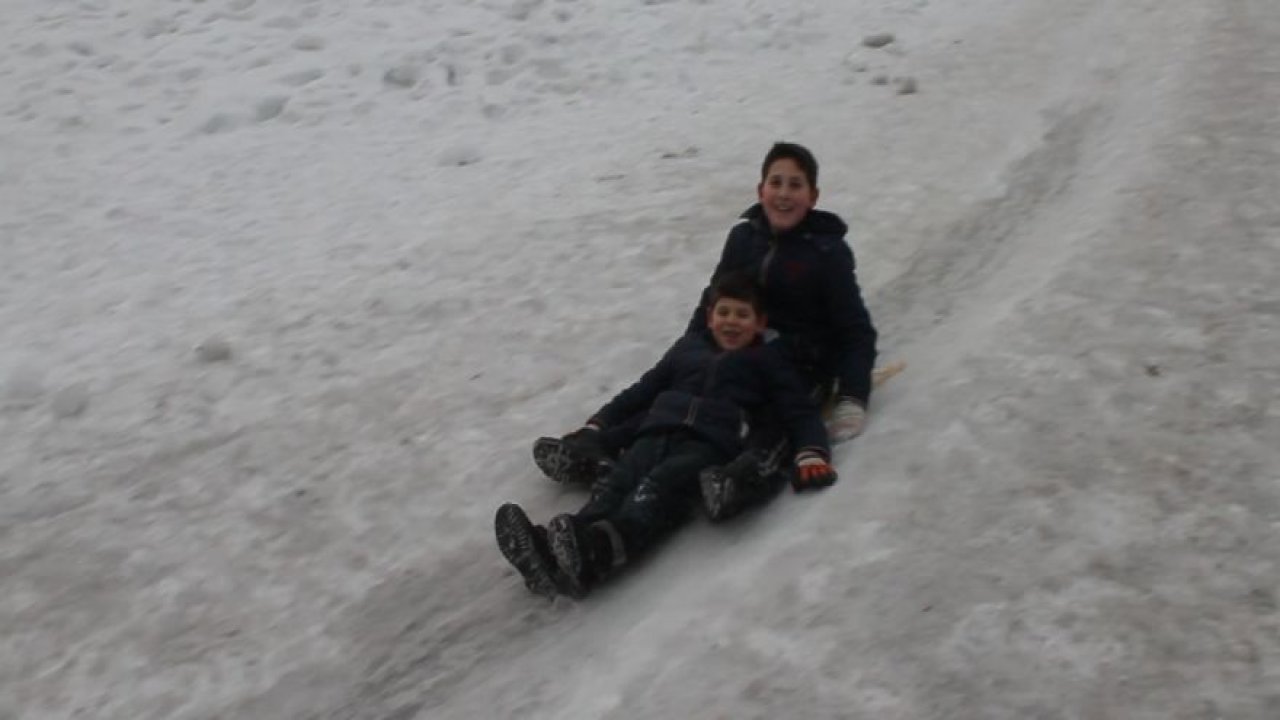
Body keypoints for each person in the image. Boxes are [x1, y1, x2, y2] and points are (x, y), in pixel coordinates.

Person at [533, 142, 878, 517]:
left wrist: (852, 396)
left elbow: (855, 330)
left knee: (766, 417)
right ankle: (601, 445)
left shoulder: (827, 254)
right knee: (683, 391)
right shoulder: (744, 238)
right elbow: (714, 295)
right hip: (744, 343)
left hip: (799, 366)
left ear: (812, 196)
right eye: (775, 182)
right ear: (760, 190)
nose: (783, 194)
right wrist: (696, 343)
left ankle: (732, 478)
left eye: (795, 185)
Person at [496, 274, 837, 598]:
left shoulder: (767, 361)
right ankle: (551, 548)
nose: (731, 322)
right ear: (709, 316)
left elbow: (797, 411)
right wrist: (599, 424)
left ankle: (599, 552)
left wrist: (812, 451)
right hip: (654, 433)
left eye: (742, 315)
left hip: (707, 445)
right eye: (724, 312)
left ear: (761, 323)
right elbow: (645, 389)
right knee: (615, 486)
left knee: (653, 491)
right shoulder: (689, 348)